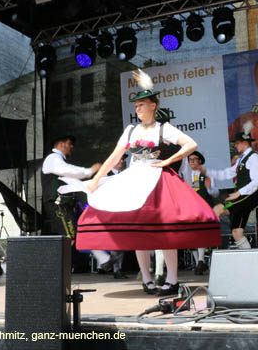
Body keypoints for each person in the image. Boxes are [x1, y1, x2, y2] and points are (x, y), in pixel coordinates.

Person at [60, 69, 220, 296]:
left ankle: (172, 279)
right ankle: (146, 278)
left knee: (166, 232)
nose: (138, 109)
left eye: (142, 105)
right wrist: (95, 180)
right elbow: (115, 156)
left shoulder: (164, 128)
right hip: (134, 181)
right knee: (138, 231)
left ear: (153, 105)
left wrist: (169, 160)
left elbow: (190, 144)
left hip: (157, 183)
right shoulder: (131, 130)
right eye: (136, 106)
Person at [41, 135, 105, 272]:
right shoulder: (53, 159)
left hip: (64, 204)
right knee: (70, 235)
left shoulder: (59, 161)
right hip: (58, 204)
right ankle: (59, 270)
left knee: (71, 234)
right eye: (69, 143)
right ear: (61, 144)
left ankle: (101, 258)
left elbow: (74, 182)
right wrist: (90, 171)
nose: (72, 147)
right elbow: (68, 170)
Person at [197, 129, 258, 249]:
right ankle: (250, 260)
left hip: (248, 196)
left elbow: (257, 181)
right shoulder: (240, 160)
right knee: (236, 232)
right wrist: (206, 171)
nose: (235, 145)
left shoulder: (254, 158)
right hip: (243, 197)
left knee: (217, 209)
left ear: (245, 143)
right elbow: (226, 174)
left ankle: (206, 243)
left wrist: (239, 192)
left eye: (237, 143)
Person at [180, 150, 219, 275]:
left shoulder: (206, 175)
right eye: (189, 160)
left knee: (201, 233)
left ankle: (201, 260)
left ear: (200, 161)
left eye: (194, 159)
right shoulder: (185, 176)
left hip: (204, 208)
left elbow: (215, 193)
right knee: (191, 236)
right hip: (190, 208)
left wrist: (210, 188)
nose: (191, 162)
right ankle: (198, 263)